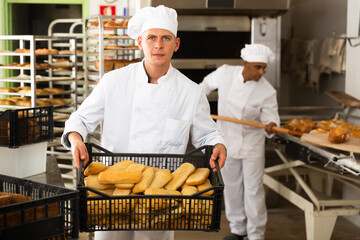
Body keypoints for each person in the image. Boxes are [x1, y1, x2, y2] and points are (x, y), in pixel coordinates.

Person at [61, 5, 227, 240]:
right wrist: (76, 138)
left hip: (161, 195)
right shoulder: (114, 82)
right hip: (113, 191)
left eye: (166, 38)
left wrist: (218, 144)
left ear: (176, 44)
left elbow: (208, 135)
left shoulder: (191, 92)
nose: (158, 45)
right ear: (140, 42)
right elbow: (80, 119)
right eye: (151, 38)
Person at [200, 44, 280, 240]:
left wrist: (271, 126)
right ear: (246, 64)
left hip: (252, 146)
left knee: (253, 191)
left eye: (264, 68)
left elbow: (272, 120)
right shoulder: (225, 73)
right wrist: (198, 109)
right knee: (232, 187)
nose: (261, 72)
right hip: (226, 142)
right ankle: (237, 230)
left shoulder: (267, 91)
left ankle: (256, 235)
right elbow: (202, 88)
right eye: (257, 67)